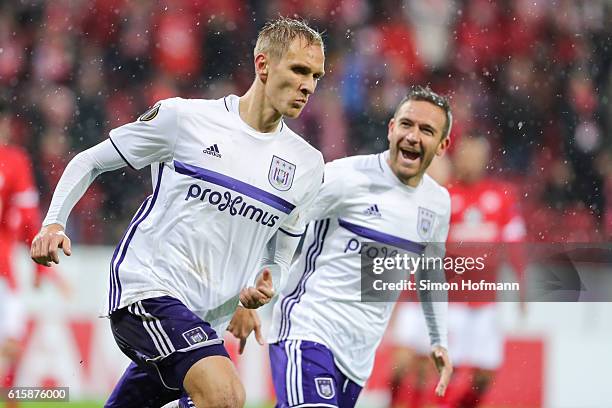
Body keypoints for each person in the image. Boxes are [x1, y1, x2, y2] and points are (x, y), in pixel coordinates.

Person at [30, 17, 326, 408]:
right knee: (225, 395)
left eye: (316, 75)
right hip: (146, 290)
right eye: (299, 69)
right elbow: (90, 162)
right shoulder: (186, 119)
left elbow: (283, 248)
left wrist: (264, 285)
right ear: (263, 64)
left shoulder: (307, 165)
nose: (308, 84)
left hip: (206, 320)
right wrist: (54, 221)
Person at [235, 86, 453, 407]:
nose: (413, 136)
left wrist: (438, 341)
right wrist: (245, 292)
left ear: (442, 145)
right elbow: (276, 219)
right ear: (391, 129)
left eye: (427, 130)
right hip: (307, 330)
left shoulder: (437, 203)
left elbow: (431, 275)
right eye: (406, 124)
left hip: (357, 359)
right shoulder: (347, 178)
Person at [392, 135, 527, 408]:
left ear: (485, 160)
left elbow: (515, 245)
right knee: (433, 372)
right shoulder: (444, 196)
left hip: (483, 303)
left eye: (476, 156)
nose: (470, 161)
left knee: (485, 375)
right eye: (466, 155)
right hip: (449, 302)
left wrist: (522, 288)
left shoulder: (501, 197)